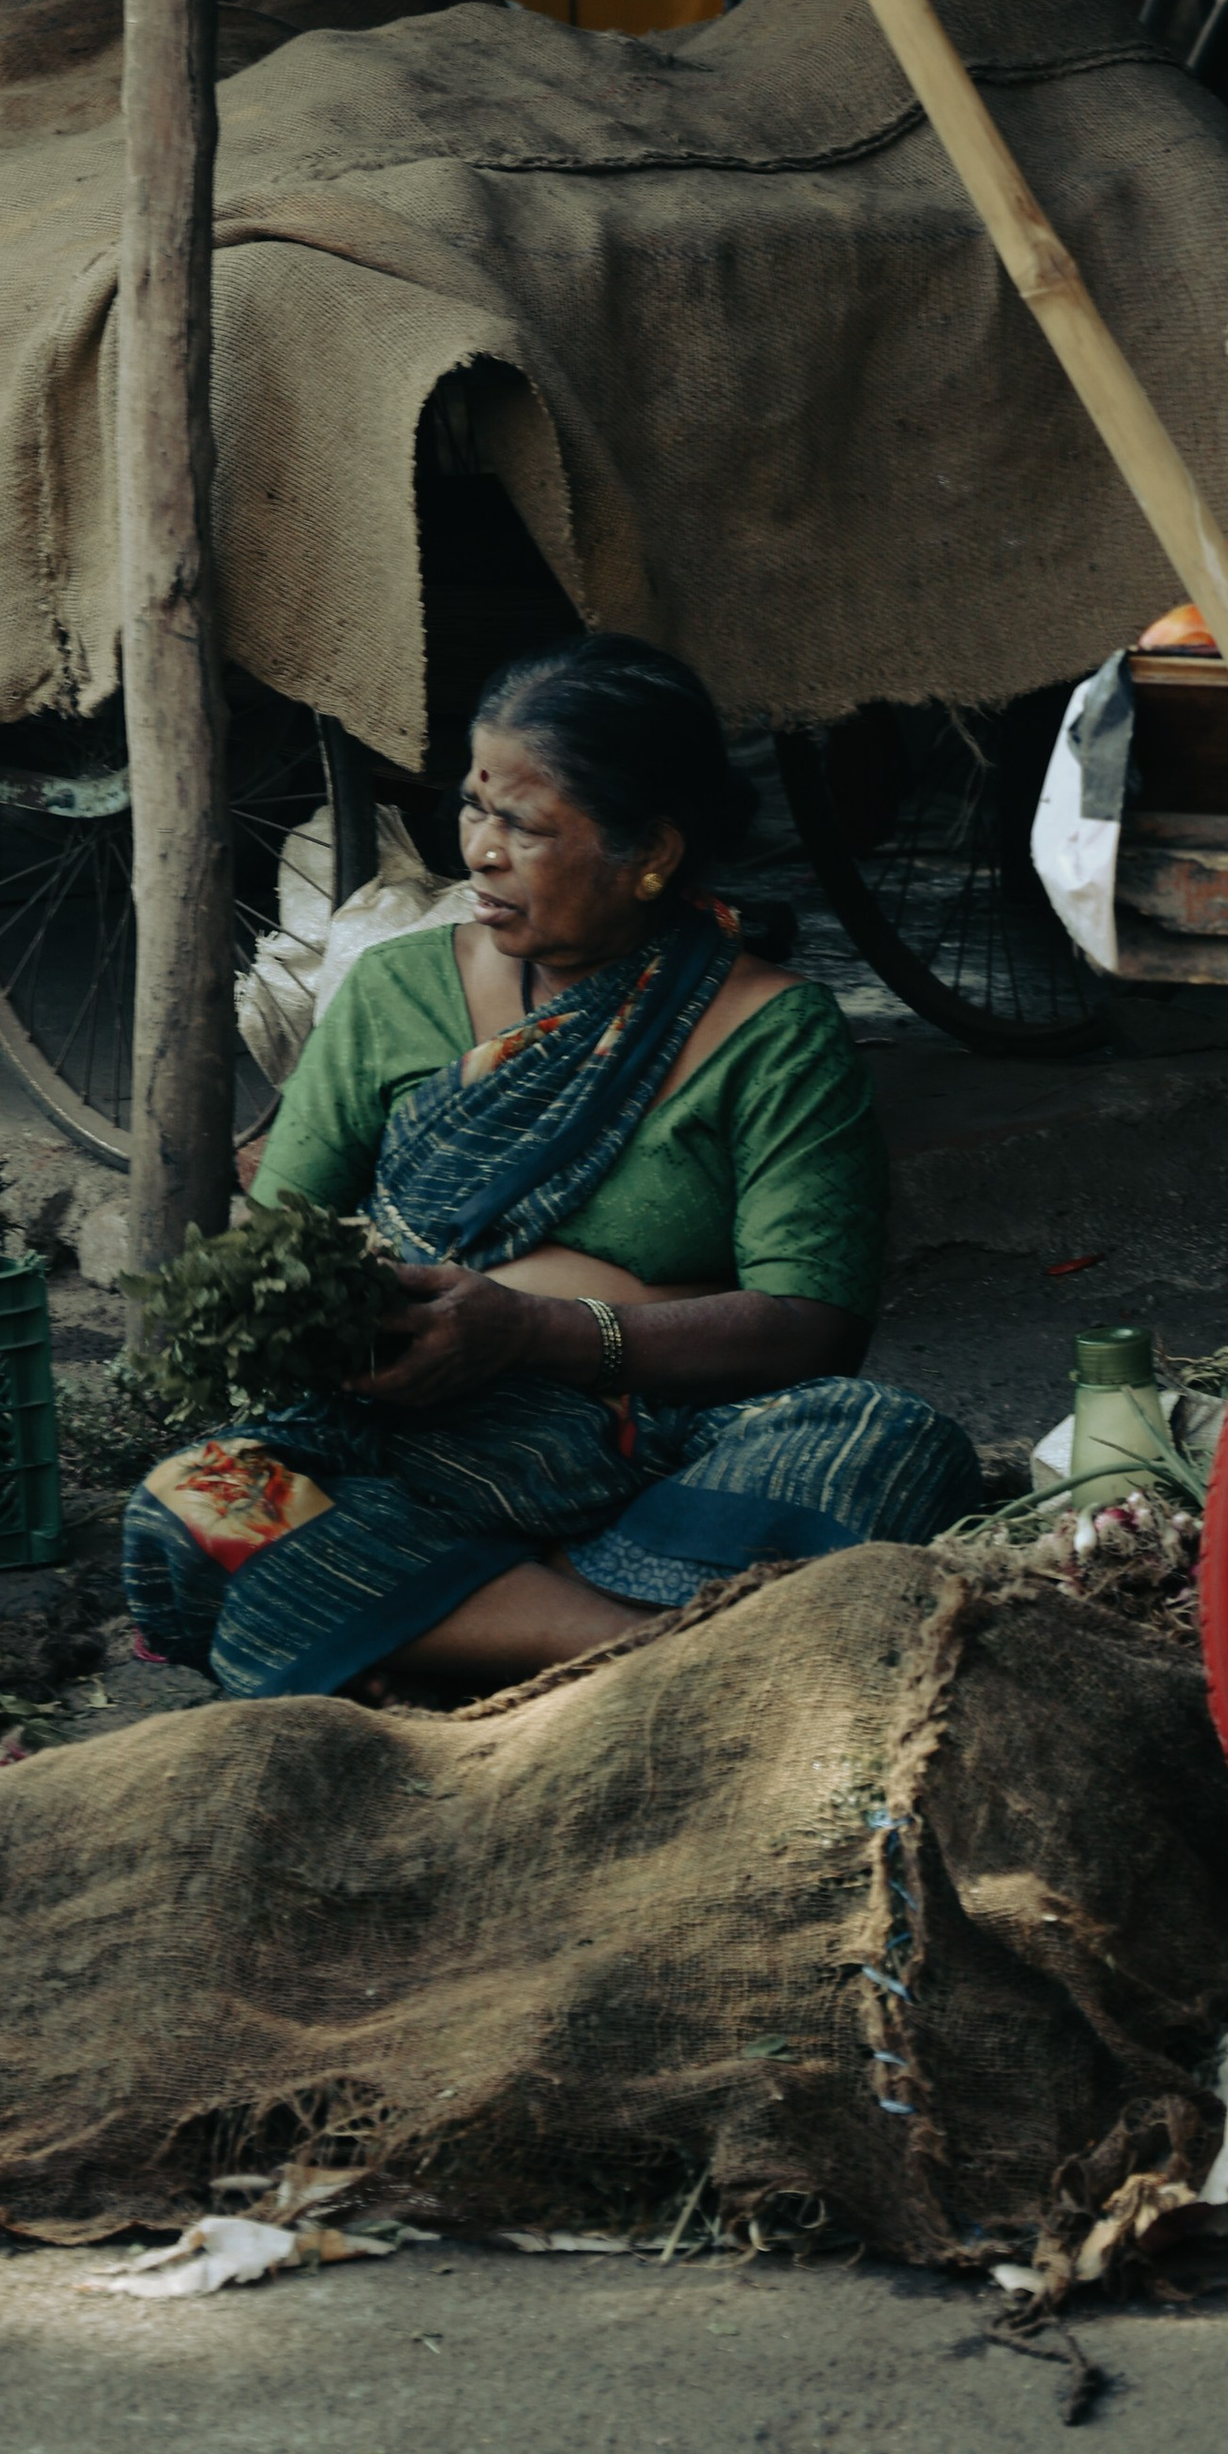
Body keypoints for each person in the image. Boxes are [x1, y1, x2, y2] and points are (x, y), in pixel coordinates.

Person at [123, 634, 984, 1702]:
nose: (479, 849)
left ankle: (465, 1630)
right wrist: (345, 1325)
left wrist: (533, 1333)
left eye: (525, 826)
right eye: (476, 808)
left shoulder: (770, 1031)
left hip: (665, 1447)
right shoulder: (394, 993)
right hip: (424, 1446)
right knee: (201, 1498)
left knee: (885, 1443)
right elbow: (283, 1236)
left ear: (651, 852)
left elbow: (814, 1325)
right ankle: (645, 1655)